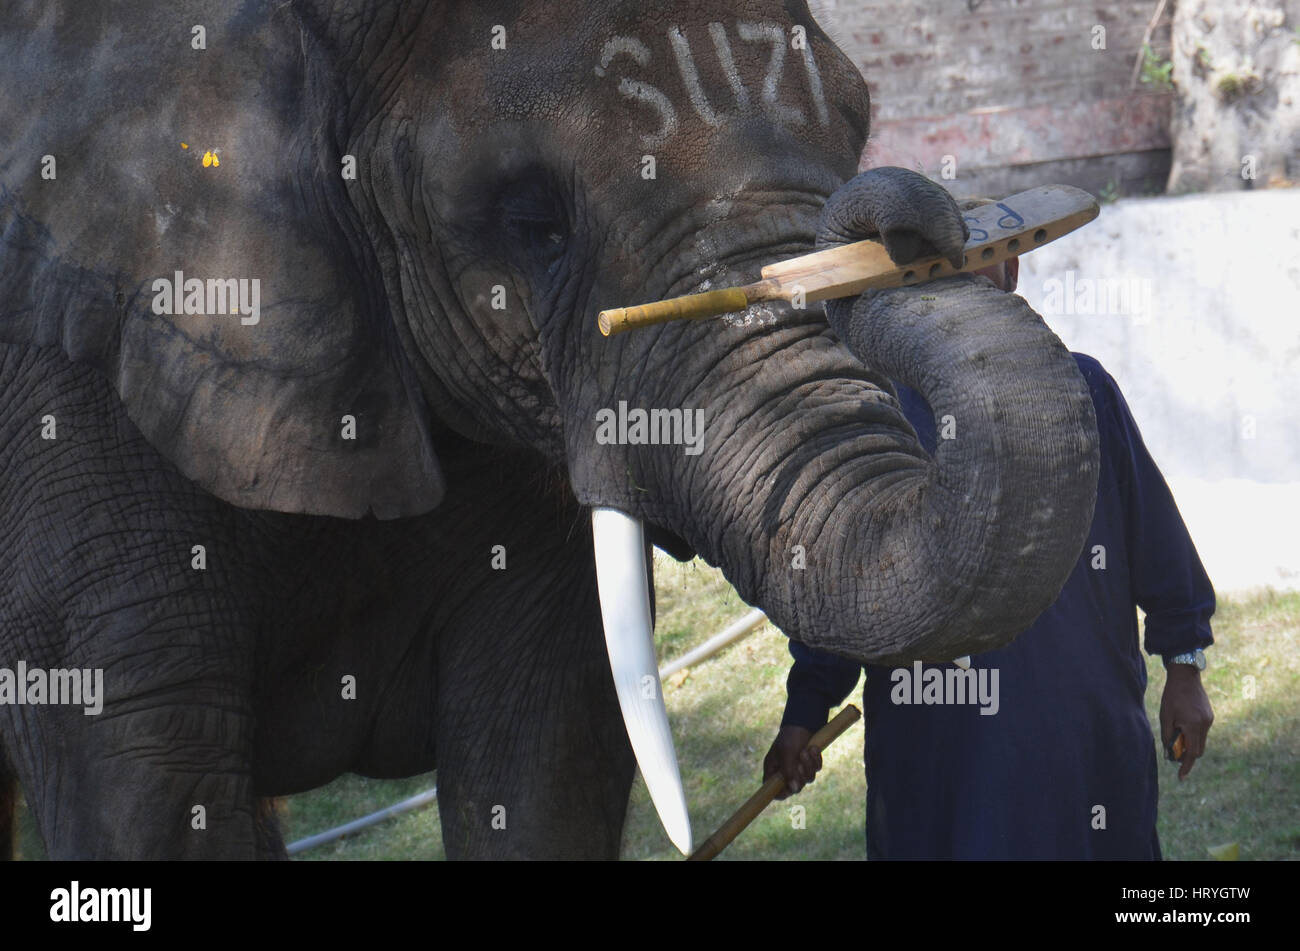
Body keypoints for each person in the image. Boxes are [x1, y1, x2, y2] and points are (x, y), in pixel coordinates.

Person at [763, 253, 1216, 860]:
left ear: (1013, 274)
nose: (959, 288)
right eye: (938, 272)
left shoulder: (1085, 390)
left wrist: (1184, 671)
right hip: (937, 756)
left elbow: (1156, 543)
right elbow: (847, 585)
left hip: (1083, 734)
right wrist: (803, 713)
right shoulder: (878, 418)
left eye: (978, 265)